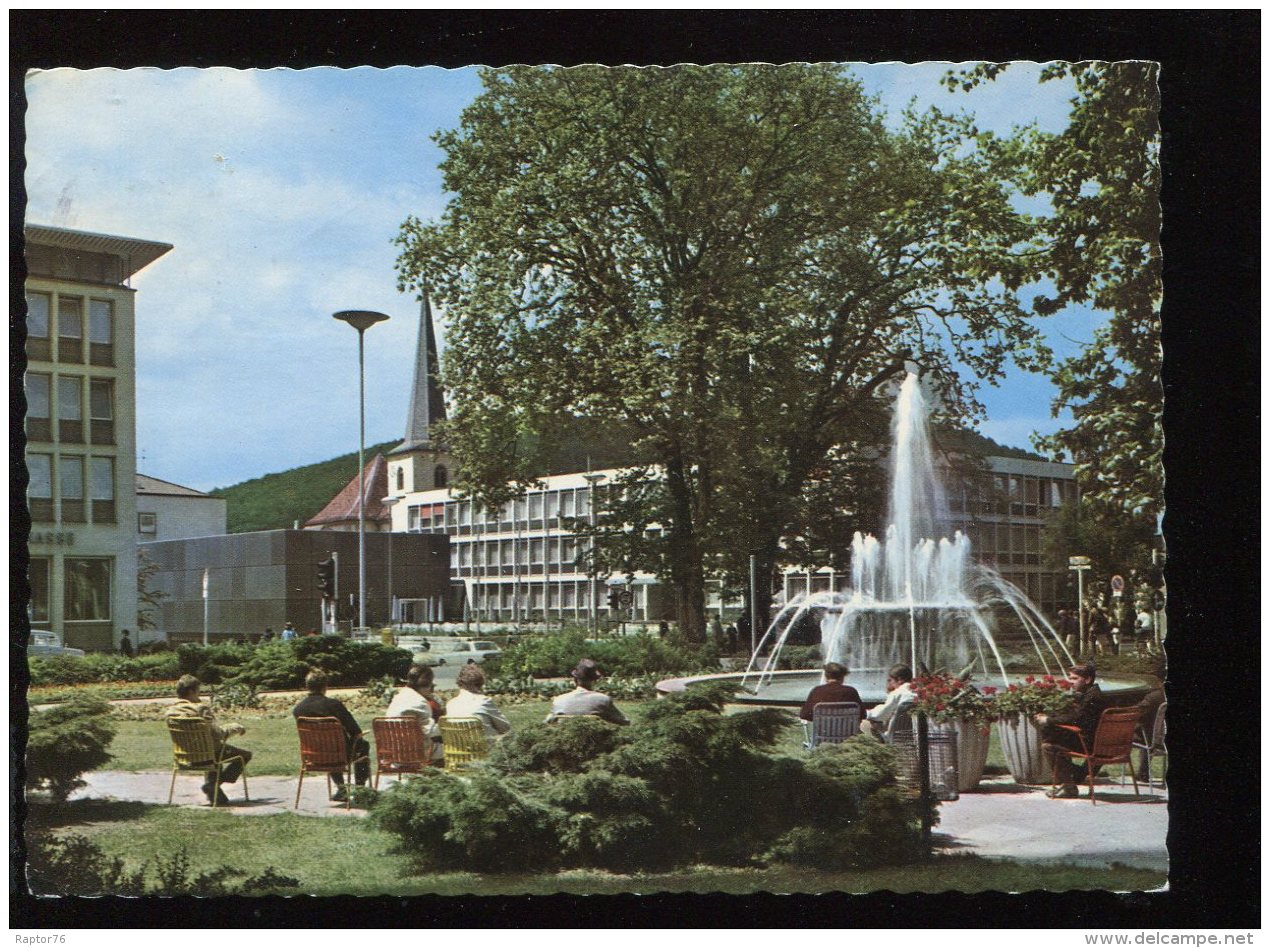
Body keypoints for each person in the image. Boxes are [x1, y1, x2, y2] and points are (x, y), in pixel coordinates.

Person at [166, 675, 251, 806]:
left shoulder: (171, 712)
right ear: (191, 692)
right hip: (208, 756)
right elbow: (219, 734)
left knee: (215, 753)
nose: (199, 694)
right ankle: (214, 784)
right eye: (198, 691)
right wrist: (236, 727)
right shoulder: (200, 709)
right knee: (244, 755)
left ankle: (216, 794)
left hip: (184, 757)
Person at [292, 670, 369, 801]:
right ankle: (360, 791)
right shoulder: (334, 705)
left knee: (328, 747)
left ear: (307, 686)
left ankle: (341, 789)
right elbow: (356, 732)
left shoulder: (298, 709)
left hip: (314, 755)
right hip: (339, 754)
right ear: (325, 686)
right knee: (363, 745)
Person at [1036, 662, 1105, 799]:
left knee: (1048, 746)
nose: (1070, 682)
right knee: (1053, 737)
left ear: (1087, 679)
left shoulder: (1092, 698)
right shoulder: (1093, 694)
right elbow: (1075, 715)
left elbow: (1075, 718)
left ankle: (1070, 785)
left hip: (1088, 743)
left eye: (1074, 678)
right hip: (1098, 742)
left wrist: (1048, 720)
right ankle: (1077, 775)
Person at [386, 663, 444, 763]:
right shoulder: (420, 702)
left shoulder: (399, 697)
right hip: (417, 752)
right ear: (428, 684)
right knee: (454, 748)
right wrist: (445, 726)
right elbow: (430, 731)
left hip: (395, 752)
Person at [546, 659, 630, 726]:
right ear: (594, 680)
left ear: (575, 679)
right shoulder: (603, 699)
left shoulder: (559, 700)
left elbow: (547, 722)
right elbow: (624, 721)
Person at [446, 664, 512, 745]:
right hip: (485, 751)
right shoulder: (484, 701)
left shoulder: (450, 704)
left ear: (459, 683)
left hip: (459, 753)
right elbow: (505, 728)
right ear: (480, 684)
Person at [861, 664, 915, 739]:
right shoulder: (918, 691)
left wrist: (866, 713)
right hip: (914, 737)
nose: (890, 684)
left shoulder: (898, 692)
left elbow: (881, 714)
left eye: (891, 680)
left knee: (864, 724)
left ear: (899, 680)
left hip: (894, 738)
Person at [799, 662, 863, 722]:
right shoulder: (851, 691)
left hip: (822, 731)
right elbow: (863, 714)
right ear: (842, 677)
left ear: (826, 677)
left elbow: (804, 715)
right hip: (846, 732)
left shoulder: (817, 690)